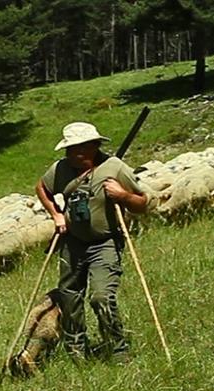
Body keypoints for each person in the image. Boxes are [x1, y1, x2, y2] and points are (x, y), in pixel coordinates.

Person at [35, 122, 149, 363]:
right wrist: (56, 214)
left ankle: (117, 349)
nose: (69, 153)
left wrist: (122, 195)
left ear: (91, 147)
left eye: (74, 148)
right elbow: (41, 187)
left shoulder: (114, 168)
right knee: (70, 295)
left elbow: (143, 203)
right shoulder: (61, 168)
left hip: (104, 243)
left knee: (101, 296)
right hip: (72, 242)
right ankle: (76, 350)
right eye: (68, 148)